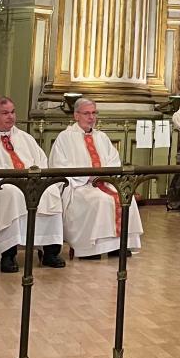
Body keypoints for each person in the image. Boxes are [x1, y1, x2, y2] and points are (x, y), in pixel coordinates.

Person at [0, 96, 66, 272]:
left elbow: (41, 161)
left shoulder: (24, 137)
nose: (11, 117)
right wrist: (11, 180)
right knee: (12, 193)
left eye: (13, 112)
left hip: (29, 182)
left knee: (50, 192)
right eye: (5, 113)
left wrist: (34, 178)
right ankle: (8, 254)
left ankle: (50, 251)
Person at [49, 99, 144, 259]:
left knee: (126, 198)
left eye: (94, 113)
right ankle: (91, 248)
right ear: (76, 115)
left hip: (105, 182)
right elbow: (58, 166)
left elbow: (114, 160)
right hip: (79, 185)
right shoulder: (64, 138)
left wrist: (106, 176)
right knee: (98, 200)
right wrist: (86, 177)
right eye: (87, 113)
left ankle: (118, 245)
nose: (91, 117)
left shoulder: (102, 137)